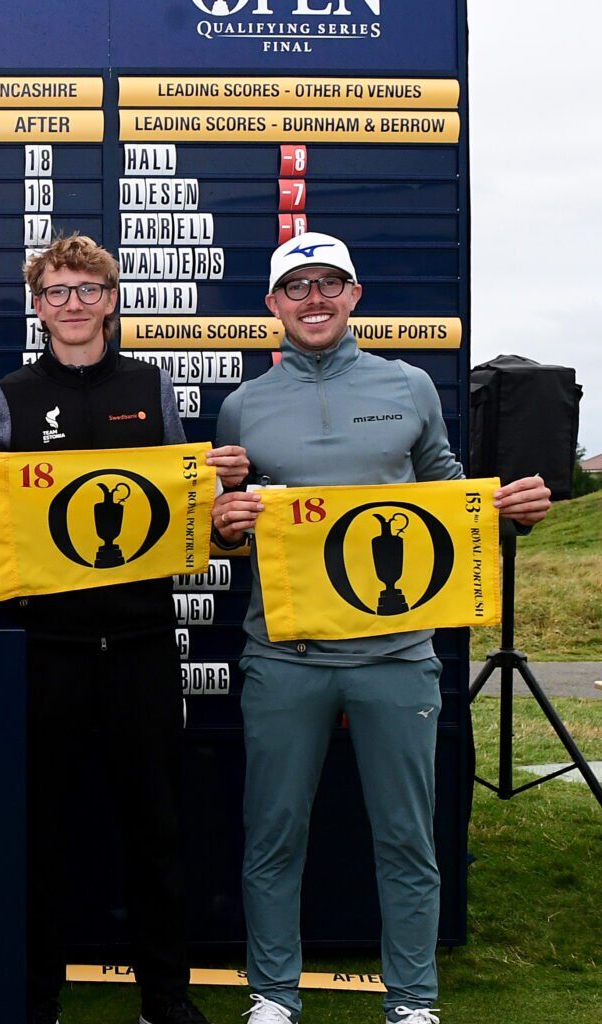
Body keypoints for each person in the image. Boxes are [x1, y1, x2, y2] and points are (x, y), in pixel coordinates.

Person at [210, 233, 551, 1024]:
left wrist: (508, 513)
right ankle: (272, 996)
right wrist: (227, 525)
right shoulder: (243, 405)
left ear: (355, 295)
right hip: (283, 652)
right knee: (273, 835)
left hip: (398, 655)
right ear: (272, 307)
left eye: (330, 283)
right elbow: (227, 530)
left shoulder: (409, 386)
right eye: (297, 287)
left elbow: (449, 493)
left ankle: (413, 1001)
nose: (315, 299)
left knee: (406, 838)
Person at [0, 234, 245, 1024]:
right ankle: (36, 994)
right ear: (36, 305)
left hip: (143, 644)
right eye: (56, 291)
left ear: (111, 300)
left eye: (87, 289)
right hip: (45, 648)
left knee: (155, 828)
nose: (72, 304)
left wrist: (218, 497)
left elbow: (191, 509)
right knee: (40, 831)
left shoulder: (152, 385)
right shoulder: (9, 393)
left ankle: (164, 996)